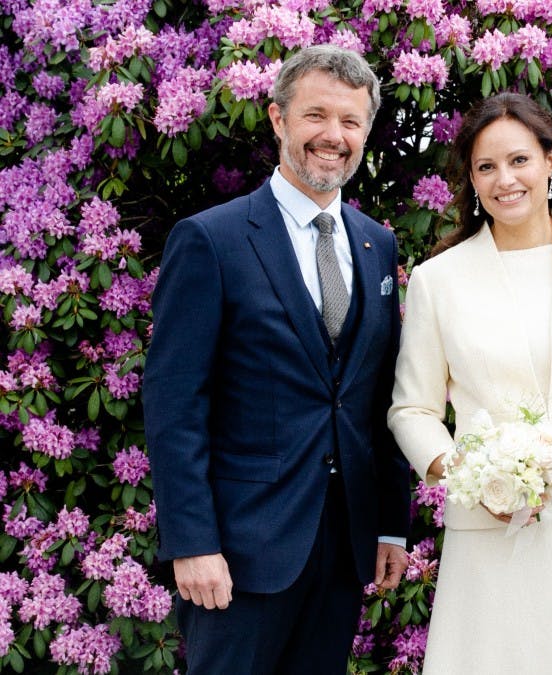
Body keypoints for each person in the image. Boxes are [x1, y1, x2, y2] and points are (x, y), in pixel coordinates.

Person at [143, 45, 411, 674]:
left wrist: (390, 525)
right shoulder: (211, 239)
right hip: (238, 553)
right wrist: (193, 543)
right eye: (316, 115)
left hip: (342, 549)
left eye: (350, 121)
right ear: (277, 118)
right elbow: (175, 402)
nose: (333, 135)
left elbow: (379, 396)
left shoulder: (376, 244)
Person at [387, 92, 552, 673]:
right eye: (486, 167)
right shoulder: (438, 280)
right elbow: (412, 409)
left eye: (519, 160)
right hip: (489, 522)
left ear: (551, 161)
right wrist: (466, 473)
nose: (504, 179)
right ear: (472, 180)